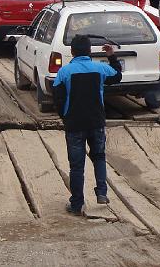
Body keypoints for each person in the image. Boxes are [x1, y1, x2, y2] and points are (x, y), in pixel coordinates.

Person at [52, 35, 122, 215]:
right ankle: (101, 193)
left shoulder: (64, 72)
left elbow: (58, 99)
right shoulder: (99, 69)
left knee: (76, 166)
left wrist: (65, 117)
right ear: (90, 51)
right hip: (96, 121)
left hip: (74, 124)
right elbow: (117, 75)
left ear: (72, 51)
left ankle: (76, 204)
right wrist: (111, 55)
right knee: (99, 156)